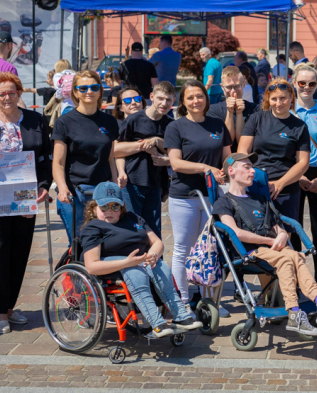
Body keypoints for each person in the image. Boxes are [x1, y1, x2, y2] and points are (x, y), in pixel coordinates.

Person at [212, 153, 317, 337]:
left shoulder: (261, 200)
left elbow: (276, 226)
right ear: (231, 171)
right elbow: (235, 232)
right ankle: (294, 311)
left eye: (252, 167)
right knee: (286, 258)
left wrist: (283, 234)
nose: (253, 171)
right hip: (248, 251)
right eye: (247, 167)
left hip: (273, 248)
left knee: (296, 256)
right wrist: (270, 241)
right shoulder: (224, 202)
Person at [0, 73, 52, 334]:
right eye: (2, 93)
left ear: (20, 94)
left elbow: (46, 159)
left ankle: (10, 307)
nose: (7, 97)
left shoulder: (36, 121)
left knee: (20, 251)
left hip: (24, 195)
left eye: (12, 92)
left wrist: (44, 185)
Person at [81, 182, 203, 339]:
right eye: (104, 207)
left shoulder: (134, 219)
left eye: (115, 207)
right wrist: (127, 262)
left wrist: (153, 254)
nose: (109, 211)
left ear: (122, 207)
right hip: (116, 264)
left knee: (161, 266)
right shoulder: (93, 227)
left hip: (141, 260)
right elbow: (92, 266)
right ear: (94, 207)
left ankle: (180, 315)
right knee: (136, 272)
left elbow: (157, 242)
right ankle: (157, 323)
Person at [164, 79, 232, 309]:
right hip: (184, 196)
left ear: (206, 98)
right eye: (190, 97)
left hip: (211, 196)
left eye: (199, 96)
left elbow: (226, 158)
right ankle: (182, 298)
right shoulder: (176, 127)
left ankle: (209, 301)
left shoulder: (217, 124)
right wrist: (205, 168)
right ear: (183, 101)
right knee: (184, 247)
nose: (196, 101)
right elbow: (175, 163)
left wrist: (232, 170)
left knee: (210, 248)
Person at [238, 77, 310, 249]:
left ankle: (283, 276)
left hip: (286, 190)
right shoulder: (256, 119)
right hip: (255, 186)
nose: (279, 103)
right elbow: (242, 153)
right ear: (268, 100)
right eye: (274, 99)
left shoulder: (299, 126)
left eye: (283, 98)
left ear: (291, 98)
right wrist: (254, 177)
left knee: (283, 240)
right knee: (258, 238)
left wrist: (280, 183)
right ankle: (267, 275)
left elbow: (303, 163)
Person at [52, 70, 121, 244]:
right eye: (83, 88)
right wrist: (62, 188)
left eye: (94, 87)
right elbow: (58, 163)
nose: (89, 91)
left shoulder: (109, 121)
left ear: (100, 90)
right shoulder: (65, 122)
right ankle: (76, 271)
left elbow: (110, 159)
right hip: (75, 192)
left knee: (104, 242)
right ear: (75, 92)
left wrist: (114, 188)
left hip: (102, 193)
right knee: (79, 243)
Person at [114, 81, 175, 237]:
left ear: (174, 100)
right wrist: (121, 172)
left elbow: (174, 152)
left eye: (168, 100)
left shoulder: (170, 124)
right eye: (160, 98)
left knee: (154, 229)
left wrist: (156, 141)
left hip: (155, 183)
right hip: (133, 181)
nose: (164, 103)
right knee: (133, 226)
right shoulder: (134, 120)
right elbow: (118, 150)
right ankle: (133, 260)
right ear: (151, 97)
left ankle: (155, 259)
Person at [293, 65, 317, 290]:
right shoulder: (286, 109)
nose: (306, 87)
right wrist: (297, 176)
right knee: (294, 227)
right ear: (294, 83)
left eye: (311, 83)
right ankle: (296, 277)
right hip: (294, 173)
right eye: (302, 83)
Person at [207, 66, 258, 152]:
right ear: (222, 87)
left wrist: (239, 113)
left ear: (244, 84)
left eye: (237, 86)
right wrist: (230, 112)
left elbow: (242, 144)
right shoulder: (213, 110)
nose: (233, 91)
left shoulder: (255, 109)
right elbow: (228, 142)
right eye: (229, 87)